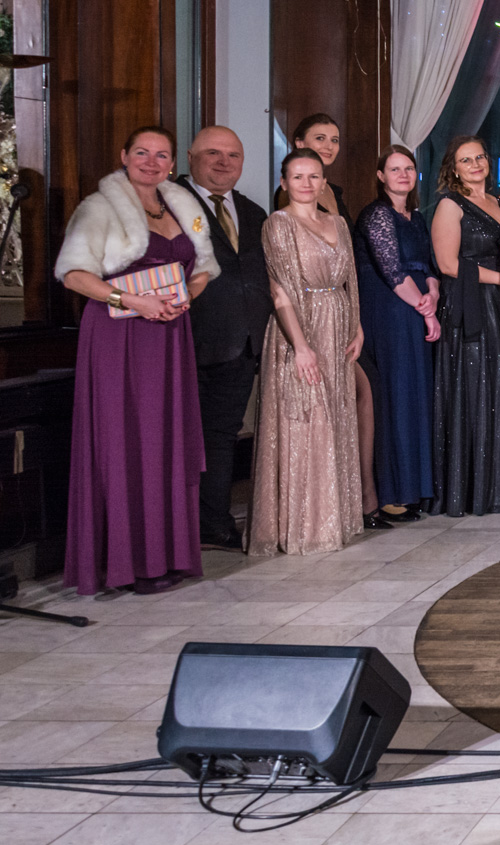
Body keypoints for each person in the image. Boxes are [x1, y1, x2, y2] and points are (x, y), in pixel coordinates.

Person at [55, 126, 217, 594]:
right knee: (126, 440)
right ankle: (128, 563)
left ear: (173, 164)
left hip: (170, 333)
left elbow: (204, 268)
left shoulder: (182, 207)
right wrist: (132, 301)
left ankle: (166, 555)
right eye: (142, 152)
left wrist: (188, 295)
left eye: (161, 155)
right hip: (119, 335)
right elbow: (74, 275)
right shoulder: (99, 207)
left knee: (165, 440)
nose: (151, 162)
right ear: (124, 155)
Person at [249, 149, 363, 556]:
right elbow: (279, 290)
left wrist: (357, 326)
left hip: (338, 327)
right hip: (299, 327)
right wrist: (300, 345)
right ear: (284, 183)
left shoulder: (338, 223)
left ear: (323, 181)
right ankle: (307, 526)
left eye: (314, 176)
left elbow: (351, 279)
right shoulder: (278, 224)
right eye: (297, 176)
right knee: (308, 418)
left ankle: (335, 518)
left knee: (336, 417)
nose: (306, 183)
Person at [176, 125, 270, 550]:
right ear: (191, 157)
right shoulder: (169, 203)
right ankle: (174, 528)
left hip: (242, 342)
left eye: (233, 155)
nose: (223, 162)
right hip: (184, 339)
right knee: (180, 436)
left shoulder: (252, 212)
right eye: (213, 153)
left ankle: (214, 524)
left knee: (222, 435)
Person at [280, 111, 377, 522]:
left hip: (343, 315)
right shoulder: (286, 200)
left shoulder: (334, 192)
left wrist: (354, 320)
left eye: (334, 139)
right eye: (319, 138)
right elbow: (286, 278)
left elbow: (347, 264)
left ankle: (359, 496)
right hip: (309, 318)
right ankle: (346, 502)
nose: (328, 146)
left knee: (358, 397)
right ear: (298, 143)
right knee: (342, 400)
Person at [354, 145, 438, 524]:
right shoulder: (376, 215)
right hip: (390, 310)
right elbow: (391, 270)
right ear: (380, 176)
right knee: (395, 396)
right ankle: (390, 493)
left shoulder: (416, 217)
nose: (403, 175)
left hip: (417, 307)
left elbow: (429, 266)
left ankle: (415, 488)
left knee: (416, 396)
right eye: (394, 169)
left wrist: (433, 295)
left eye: (408, 168)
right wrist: (425, 307)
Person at [431, 135, 500, 516]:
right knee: (475, 386)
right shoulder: (450, 205)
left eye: (479, 157)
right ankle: (472, 490)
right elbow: (448, 265)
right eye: (466, 160)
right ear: (454, 168)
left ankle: (499, 485)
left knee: (499, 386)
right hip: (469, 304)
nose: (476, 164)